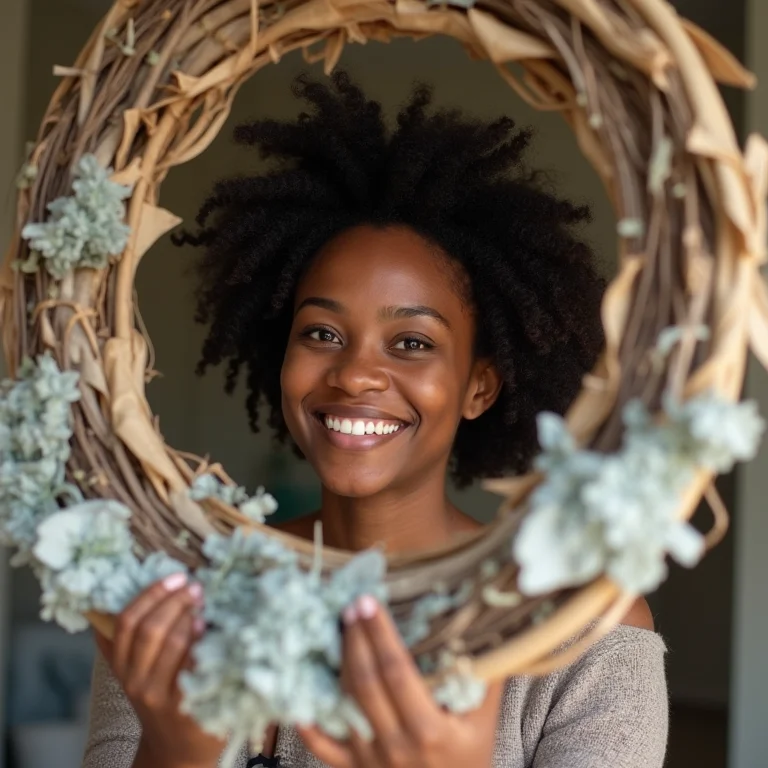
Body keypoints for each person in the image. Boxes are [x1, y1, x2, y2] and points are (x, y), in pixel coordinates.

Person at [83, 72, 668, 768]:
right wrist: (176, 753)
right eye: (322, 334)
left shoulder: (583, 636)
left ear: (479, 387)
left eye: (413, 343)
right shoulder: (181, 603)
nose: (355, 373)